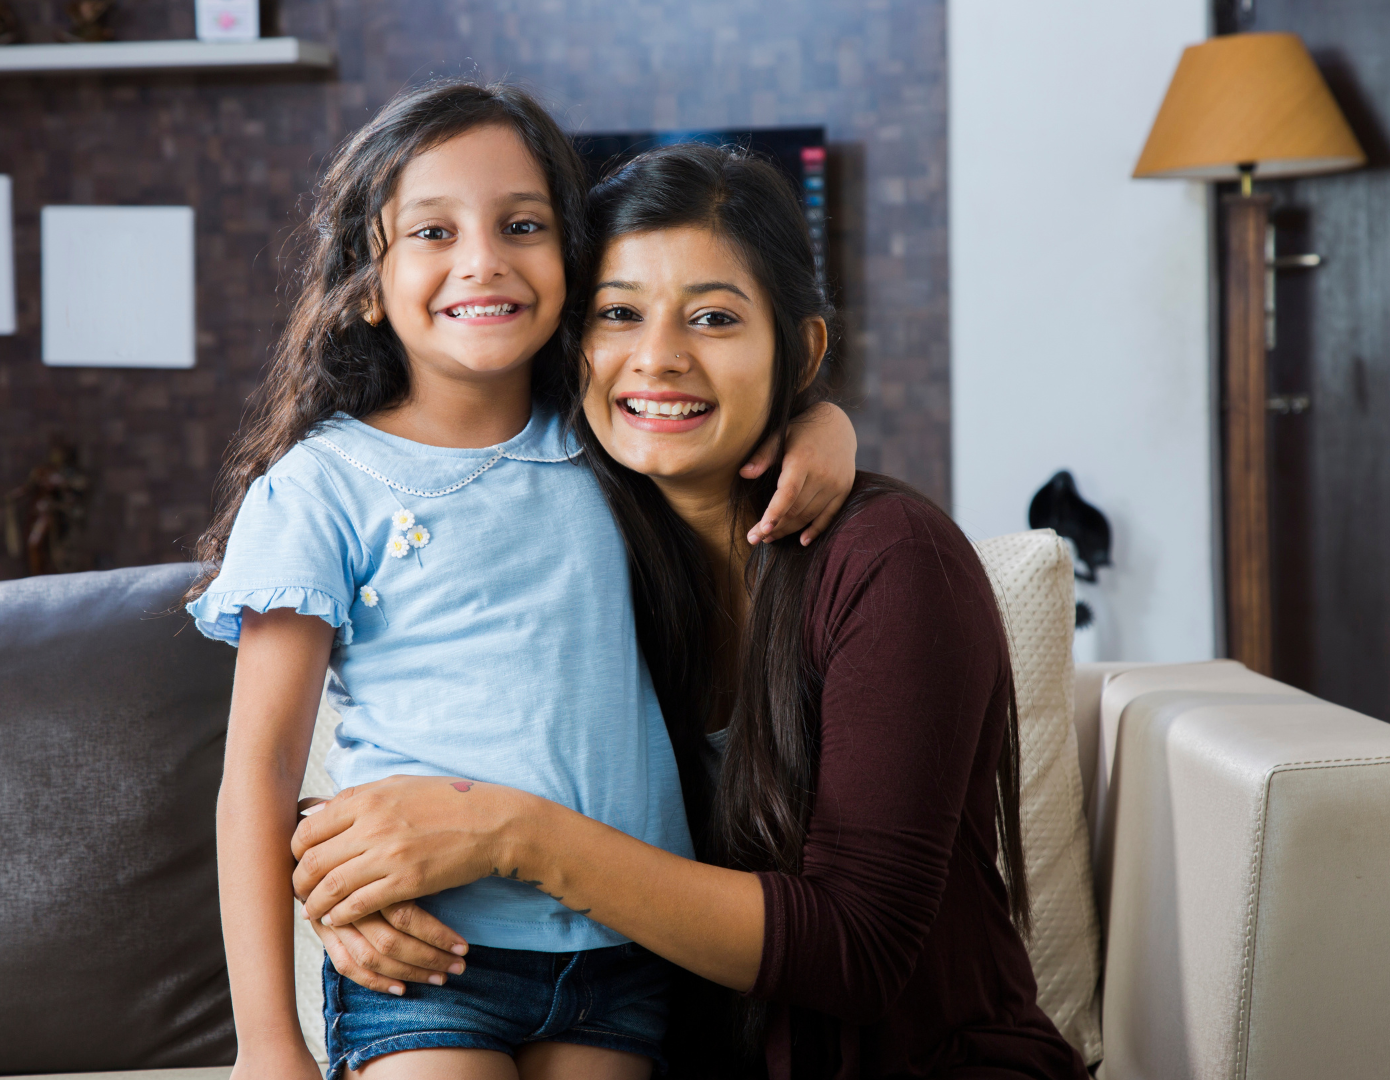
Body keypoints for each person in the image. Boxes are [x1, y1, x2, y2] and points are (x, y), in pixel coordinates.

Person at [290, 142, 1093, 1080]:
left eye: (714, 318)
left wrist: (514, 836)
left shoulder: (893, 562)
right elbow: (446, 717)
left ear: (803, 350)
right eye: (619, 315)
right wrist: (350, 866)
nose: (658, 359)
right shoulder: (582, 543)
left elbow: (859, 948)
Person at [185, 84, 861, 1080]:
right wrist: (267, 1043)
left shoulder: (606, 442)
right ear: (368, 284)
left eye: (523, 224)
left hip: (625, 952)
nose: (483, 259)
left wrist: (823, 426)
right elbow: (261, 773)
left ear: (572, 263)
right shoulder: (322, 488)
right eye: (432, 230)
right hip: (430, 957)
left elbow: (719, 423)